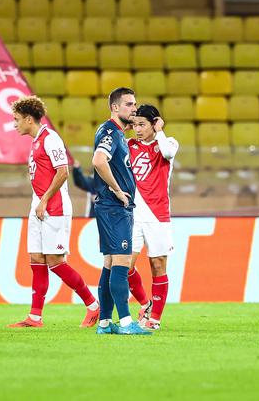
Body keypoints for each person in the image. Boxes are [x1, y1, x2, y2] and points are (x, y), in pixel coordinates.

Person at [8, 95, 100, 328]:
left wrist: (44, 200)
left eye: (17, 119)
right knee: (36, 259)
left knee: (56, 261)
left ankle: (92, 305)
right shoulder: (36, 141)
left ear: (29, 119)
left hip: (54, 207)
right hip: (39, 206)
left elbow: (63, 172)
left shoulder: (51, 139)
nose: (14, 124)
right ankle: (35, 317)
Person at [93, 87, 151, 335]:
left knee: (109, 264)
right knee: (121, 263)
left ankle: (105, 323)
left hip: (111, 207)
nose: (134, 108)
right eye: (129, 104)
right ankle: (127, 323)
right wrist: (117, 190)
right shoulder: (109, 131)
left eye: (135, 104)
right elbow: (98, 160)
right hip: (115, 207)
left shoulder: (116, 132)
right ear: (115, 107)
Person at [125, 105, 178, 330]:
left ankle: (154, 319)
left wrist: (160, 130)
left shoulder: (168, 143)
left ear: (154, 123)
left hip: (157, 214)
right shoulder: (129, 145)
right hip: (133, 214)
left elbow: (166, 153)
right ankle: (146, 304)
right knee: (125, 266)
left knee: (158, 265)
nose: (137, 129)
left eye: (142, 124)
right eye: (134, 124)